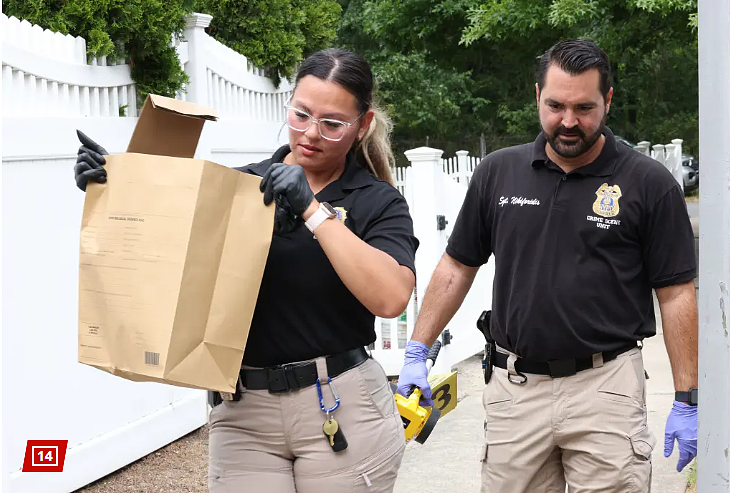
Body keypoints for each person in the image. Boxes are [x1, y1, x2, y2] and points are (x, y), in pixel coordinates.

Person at [74, 48, 418, 493]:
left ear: (362, 126)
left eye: (331, 124)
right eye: (301, 115)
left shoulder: (377, 201)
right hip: (242, 412)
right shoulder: (236, 188)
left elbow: (390, 298)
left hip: (341, 404)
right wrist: (113, 190)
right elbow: (163, 257)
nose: (310, 133)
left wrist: (312, 210)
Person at [396, 39, 698, 493]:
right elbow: (457, 266)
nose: (569, 121)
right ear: (537, 96)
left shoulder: (648, 184)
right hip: (515, 390)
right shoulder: (498, 174)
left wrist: (687, 398)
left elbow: (676, 294)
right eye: (556, 105)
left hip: (606, 388)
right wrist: (417, 350)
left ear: (608, 101)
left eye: (584, 107)